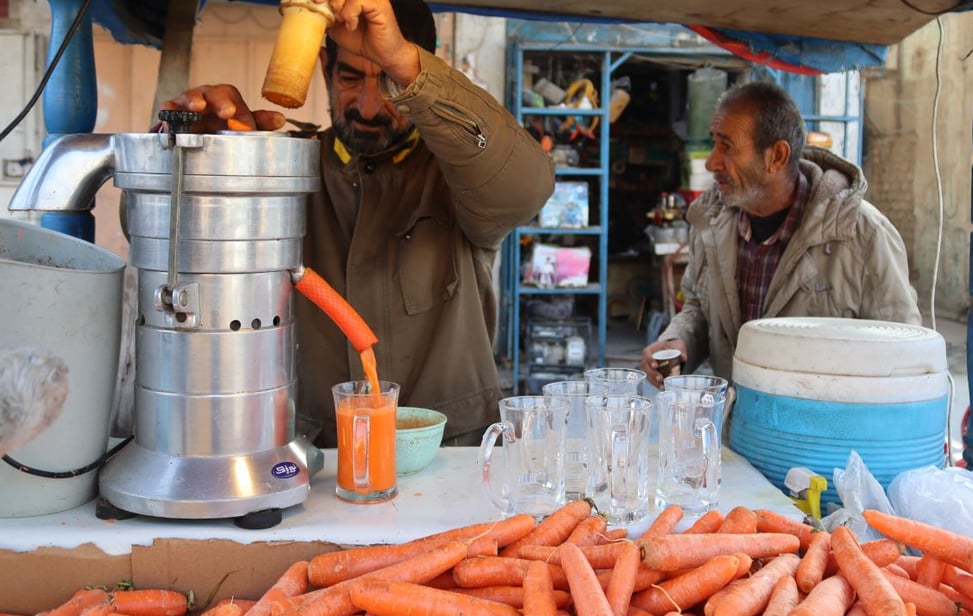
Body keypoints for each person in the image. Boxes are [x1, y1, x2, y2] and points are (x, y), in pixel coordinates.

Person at [157, 0, 554, 447]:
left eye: (388, 81)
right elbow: (165, 243)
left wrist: (404, 61)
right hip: (307, 460)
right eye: (350, 78)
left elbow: (528, 187)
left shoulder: (457, 175)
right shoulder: (280, 169)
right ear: (324, 66)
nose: (369, 106)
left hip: (453, 460)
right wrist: (207, 165)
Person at [641, 80, 920, 389]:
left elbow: (902, 360)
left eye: (727, 146)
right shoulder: (711, 222)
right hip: (739, 429)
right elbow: (698, 307)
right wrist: (679, 342)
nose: (711, 162)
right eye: (713, 143)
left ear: (776, 156)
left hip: (825, 435)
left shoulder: (864, 236)